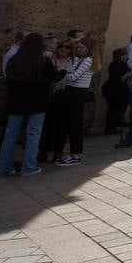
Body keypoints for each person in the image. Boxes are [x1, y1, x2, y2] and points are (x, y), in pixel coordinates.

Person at [0, 33, 58, 177]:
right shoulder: (43, 61)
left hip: (16, 102)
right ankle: (29, 167)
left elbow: (9, 80)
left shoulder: (14, 60)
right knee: (33, 134)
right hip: (37, 102)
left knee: (10, 135)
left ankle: (3, 168)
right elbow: (52, 78)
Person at [47, 37, 94, 166]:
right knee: (68, 124)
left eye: (82, 47)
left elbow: (74, 76)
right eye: (78, 47)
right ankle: (72, 153)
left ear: (89, 48)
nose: (79, 50)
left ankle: (76, 154)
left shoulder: (88, 60)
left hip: (78, 94)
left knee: (75, 125)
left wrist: (61, 74)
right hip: (71, 93)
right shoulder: (79, 60)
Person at [103, 48, 130, 136]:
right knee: (115, 109)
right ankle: (112, 127)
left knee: (112, 109)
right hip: (117, 90)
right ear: (122, 56)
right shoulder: (122, 65)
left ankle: (110, 127)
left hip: (110, 89)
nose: (127, 56)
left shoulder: (113, 64)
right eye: (126, 54)